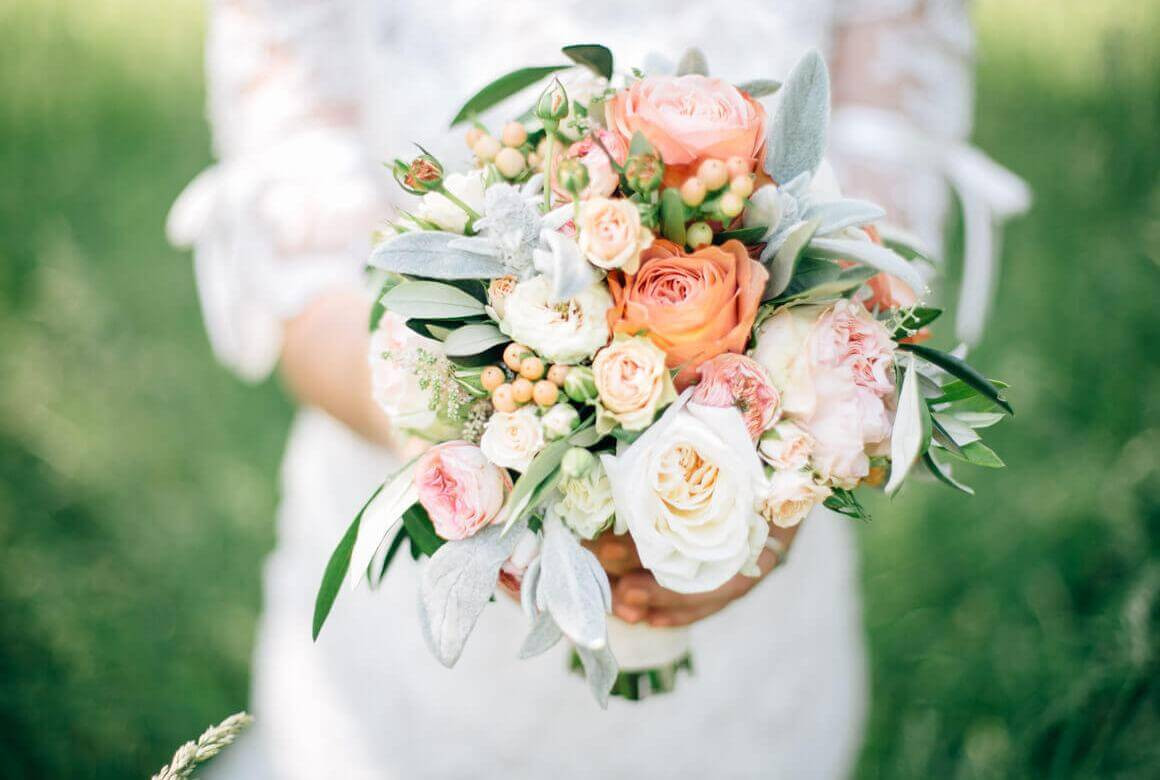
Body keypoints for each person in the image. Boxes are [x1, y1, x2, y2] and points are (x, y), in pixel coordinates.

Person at [168, 2, 1025, 777]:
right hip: (423, 601)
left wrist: (771, 487)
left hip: (754, 628)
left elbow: (883, 246)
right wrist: (473, 455)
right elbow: (306, 275)